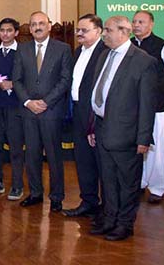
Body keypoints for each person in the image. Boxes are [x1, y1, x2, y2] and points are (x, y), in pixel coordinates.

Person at [88, 15, 157, 241]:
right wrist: (91, 127)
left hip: (127, 135)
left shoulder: (143, 61)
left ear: (123, 31)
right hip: (101, 129)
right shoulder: (104, 56)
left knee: (128, 183)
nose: (104, 34)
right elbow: (98, 93)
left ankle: (125, 224)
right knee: (107, 180)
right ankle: (109, 219)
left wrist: (143, 139)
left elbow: (148, 105)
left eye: (107, 30)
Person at [12, 11, 72, 211]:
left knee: (54, 156)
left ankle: (56, 197)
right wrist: (28, 101)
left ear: (49, 26)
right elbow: (17, 79)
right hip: (28, 111)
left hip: (51, 111)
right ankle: (35, 193)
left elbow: (65, 80)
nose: (37, 27)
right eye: (33, 24)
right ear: (29, 28)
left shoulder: (63, 49)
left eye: (41, 23)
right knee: (32, 155)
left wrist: (46, 102)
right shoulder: (22, 49)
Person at [131, 10, 164, 204]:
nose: (137, 25)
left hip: (158, 108)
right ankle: (141, 183)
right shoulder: (129, 45)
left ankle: (158, 188)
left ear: (151, 24)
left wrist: (158, 94)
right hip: (135, 109)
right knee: (137, 147)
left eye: (141, 22)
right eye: (134, 21)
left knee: (157, 149)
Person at [63, 14, 107, 218]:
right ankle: (88, 201)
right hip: (78, 111)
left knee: (102, 161)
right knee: (83, 159)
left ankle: (107, 207)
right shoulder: (78, 51)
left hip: (97, 114)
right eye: (78, 30)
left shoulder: (105, 52)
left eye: (84, 30)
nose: (79, 33)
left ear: (98, 31)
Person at [0, 18, 24, 199]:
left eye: (9, 30)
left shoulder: (23, 52)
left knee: (15, 145)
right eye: (2, 30)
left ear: (16, 33)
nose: (5, 34)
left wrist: (13, 85)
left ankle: (17, 184)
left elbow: (29, 78)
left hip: (15, 105)